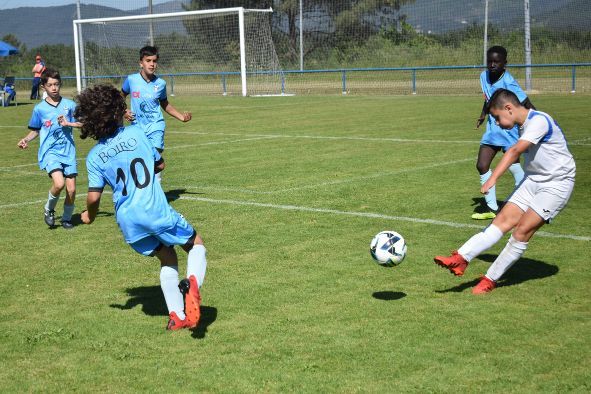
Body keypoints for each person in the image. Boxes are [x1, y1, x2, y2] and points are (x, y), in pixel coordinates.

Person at [76, 84, 206, 331]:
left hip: (128, 222)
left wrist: (89, 216)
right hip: (155, 210)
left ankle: (177, 316)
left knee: (167, 256)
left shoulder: (94, 156)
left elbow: (93, 198)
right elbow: (160, 165)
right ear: (118, 112)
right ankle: (192, 285)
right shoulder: (137, 134)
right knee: (195, 243)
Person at [434, 89, 576, 294]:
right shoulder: (523, 125)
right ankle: (460, 258)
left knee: (521, 232)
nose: (498, 123)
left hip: (556, 185)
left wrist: (492, 178)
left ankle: (489, 279)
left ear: (508, 108)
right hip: (532, 181)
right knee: (500, 223)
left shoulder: (539, 121)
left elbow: (515, 151)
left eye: (497, 118)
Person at [472, 46, 535, 220]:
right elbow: (488, 98)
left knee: (514, 167)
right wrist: (483, 115)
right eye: (489, 61)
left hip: (509, 131)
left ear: (504, 63)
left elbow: (525, 102)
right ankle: (491, 207)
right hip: (492, 130)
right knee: (482, 165)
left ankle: (528, 199)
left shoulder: (509, 82)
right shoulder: (483, 76)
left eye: (496, 62)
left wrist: (539, 121)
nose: (492, 65)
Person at [18, 68, 80, 229]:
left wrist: (69, 123)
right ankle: (49, 209)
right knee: (59, 184)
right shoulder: (39, 109)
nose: (54, 88)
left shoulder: (70, 105)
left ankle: (66, 219)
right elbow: (36, 129)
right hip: (50, 152)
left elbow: (82, 123)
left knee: (72, 190)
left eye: (57, 84)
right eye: (50, 85)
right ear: (43, 87)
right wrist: (26, 139)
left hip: (68, 152)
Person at [121, 45, 192, 183]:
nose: (152, 64)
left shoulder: (161, 84)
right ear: (141, 63)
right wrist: (124, 111)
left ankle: (156, 193)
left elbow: (165, 104)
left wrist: (181, 117)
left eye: (154, 61)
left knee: (155, 157)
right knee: (141, 159)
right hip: (137, 127)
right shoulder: (131, 80)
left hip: (155, 126)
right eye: (148, 60)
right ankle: (140, 184)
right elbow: (120, 96)